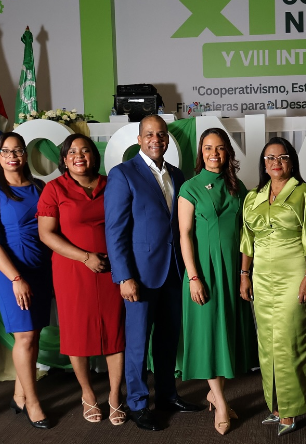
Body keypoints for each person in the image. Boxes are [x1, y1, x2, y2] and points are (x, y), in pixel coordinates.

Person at [105, 115, 203, 432]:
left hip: (173, 271)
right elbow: (115, 231)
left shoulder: (177, 174)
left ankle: (167, 395)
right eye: (149, 134)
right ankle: (137, 403)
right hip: (140, 276)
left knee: (167, 339)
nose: (156, 139)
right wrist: (124, 276)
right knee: (137, 343)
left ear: (167, 139)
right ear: (139, 139)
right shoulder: (123, 174)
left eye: (161, 134)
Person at [240, 136, 306, 437]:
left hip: (294, 275)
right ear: (263, 164)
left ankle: (292, 409)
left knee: (291, 343)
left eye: (283, 157)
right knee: (268, 344)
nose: (276, 163)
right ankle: (276, 406)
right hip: (262, 279)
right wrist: (244, 274)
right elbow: (247, 240)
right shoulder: (253, 197)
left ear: (291, 161)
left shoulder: (304, 193)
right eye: (270, 158)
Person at [37, 134, 126, 425]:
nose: (79, 156)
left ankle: (115, 395)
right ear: (64, 159)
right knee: (77, 332)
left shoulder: (111, 184)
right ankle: (88, 394)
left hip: (111, 269)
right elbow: (46, 233)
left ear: (94, 156)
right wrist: (85, 257)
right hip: (72, 270)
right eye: (72, 152)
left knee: (115, 330)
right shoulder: (54, 189)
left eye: (85, 150)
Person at [177, 128, 258, 435]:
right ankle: (221, 403)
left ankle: (215, 394)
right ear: (201, 152)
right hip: (205, 272)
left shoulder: (239, 187)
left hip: (232, 270)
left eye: (220, 148)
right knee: (210, 335)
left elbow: (247, 235)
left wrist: (244, 274)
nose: (214, 153)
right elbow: (184, 235)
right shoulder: (190, 187)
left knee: (226, 334)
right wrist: (193, 277)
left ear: (228, 153)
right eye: (208, 148)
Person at [0, 132, 52, 430]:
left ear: (25, 154)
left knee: (34, 333)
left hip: (40, 269)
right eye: (6, 151)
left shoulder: (40, 187)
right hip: (11, 273)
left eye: (18, 150)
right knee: (24, 336)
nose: (12, 156)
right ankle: (33, 403)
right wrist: (16, 278)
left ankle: (19, 395)